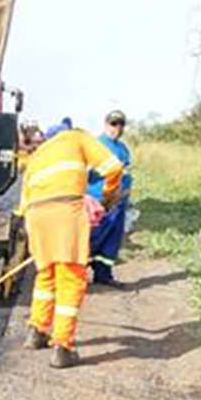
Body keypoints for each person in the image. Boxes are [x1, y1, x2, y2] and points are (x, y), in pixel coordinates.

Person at [20, 125, 124, 368]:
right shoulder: (78, 138)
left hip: (35, 215)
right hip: (65, 211)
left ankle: (36, 331)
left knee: (46, 274)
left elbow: (23, 202)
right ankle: (63, 347)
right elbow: (114, 167)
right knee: (71, 277)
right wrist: (109, 194)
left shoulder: (39, 153)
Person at [88, 110, 132, 287]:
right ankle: (78, 275)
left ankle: (103, 275)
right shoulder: (96, 146)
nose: (117, 128)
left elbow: (125, 171)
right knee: (94, 237)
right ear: (106, 124)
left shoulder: (122, 148)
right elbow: (87, 173)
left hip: (119, 201)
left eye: (121, 124)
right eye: (114, 124)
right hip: (101, 200)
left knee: (112, 240)